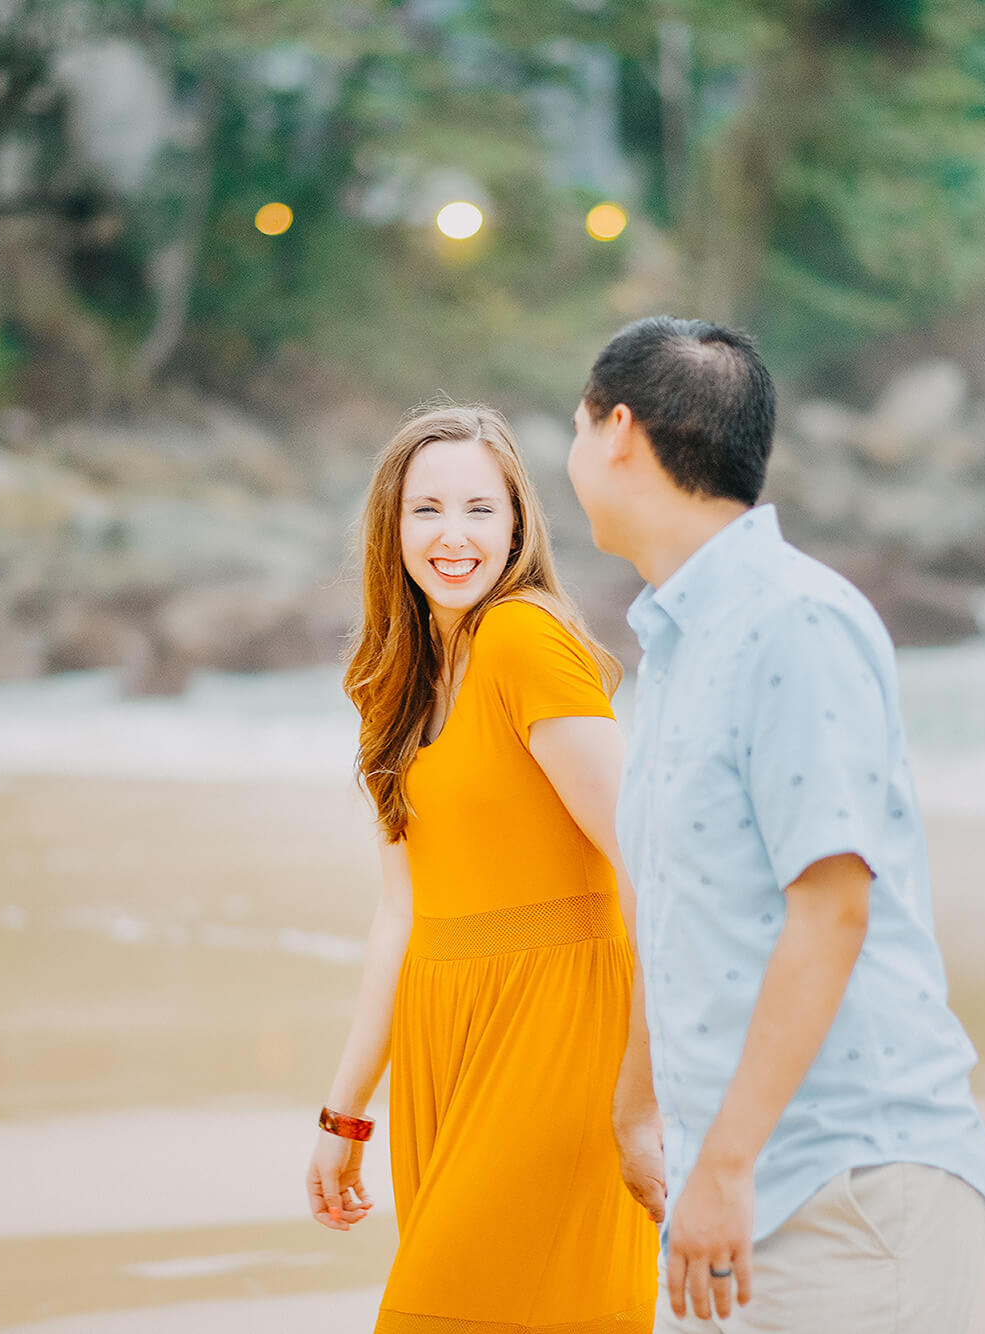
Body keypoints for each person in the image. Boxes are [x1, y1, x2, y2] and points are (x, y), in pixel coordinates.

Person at [566, 317, 985, 1332]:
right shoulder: (677, 642)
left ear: (618, 429)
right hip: (730, 1180)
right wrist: (640, 1111)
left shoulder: (792, 618)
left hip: (842, 1180)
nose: (575, 454)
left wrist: (722, 1161)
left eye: (576, 426)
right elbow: (677, 903)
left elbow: (830, 906)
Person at [307, 403, 660, 1332]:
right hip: (444, 1042)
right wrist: (345, 1115)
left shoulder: (524, 641)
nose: (452, 537)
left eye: (478, 510)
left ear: (517, 527)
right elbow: (401, 913)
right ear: (392, 527)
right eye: (426, 511)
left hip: (556, 1041)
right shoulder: (391, 684)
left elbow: (653, 863)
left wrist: (640, 1090)